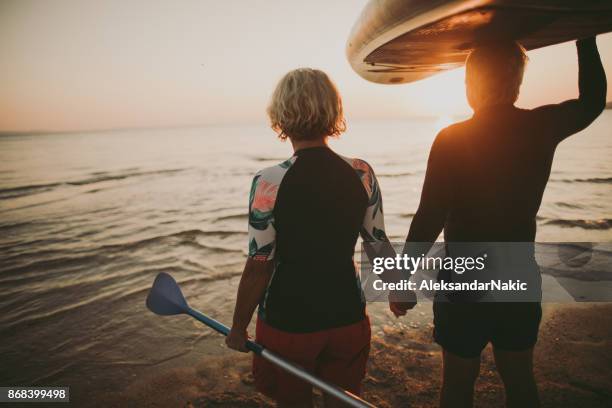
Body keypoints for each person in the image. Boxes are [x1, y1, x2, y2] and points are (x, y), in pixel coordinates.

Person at [393, 37, 607, 408]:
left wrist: (400, 279)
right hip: (516, 273)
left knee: (458, 385)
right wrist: (584, 39)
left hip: (464, 281)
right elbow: (591, 102)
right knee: (519, 379)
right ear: (517, 82)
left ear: (470, 85)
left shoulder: (451, 139)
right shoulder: (541, 125)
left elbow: (428, 216)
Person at [226, 68, 389, 407]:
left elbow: (259, 265)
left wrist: (238, 327)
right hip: (347, 316)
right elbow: (377, 243)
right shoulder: (361, 172)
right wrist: (400, 291)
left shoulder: (269, 181)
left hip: (289, 324)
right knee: (343, 401)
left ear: (281, 115)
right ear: (332, 110)